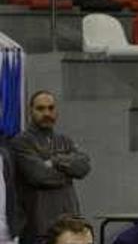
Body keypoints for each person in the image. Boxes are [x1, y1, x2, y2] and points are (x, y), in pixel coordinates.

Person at [12, 91, 90, 244]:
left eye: (51, 108)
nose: (47, 113)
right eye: (40, 109)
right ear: (30, 111)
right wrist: (68, 172)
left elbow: (83, 167)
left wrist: (54, 161)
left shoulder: (64, 140)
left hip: (69, 229)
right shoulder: (21, 142)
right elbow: (39, 176)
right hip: (37, 231)